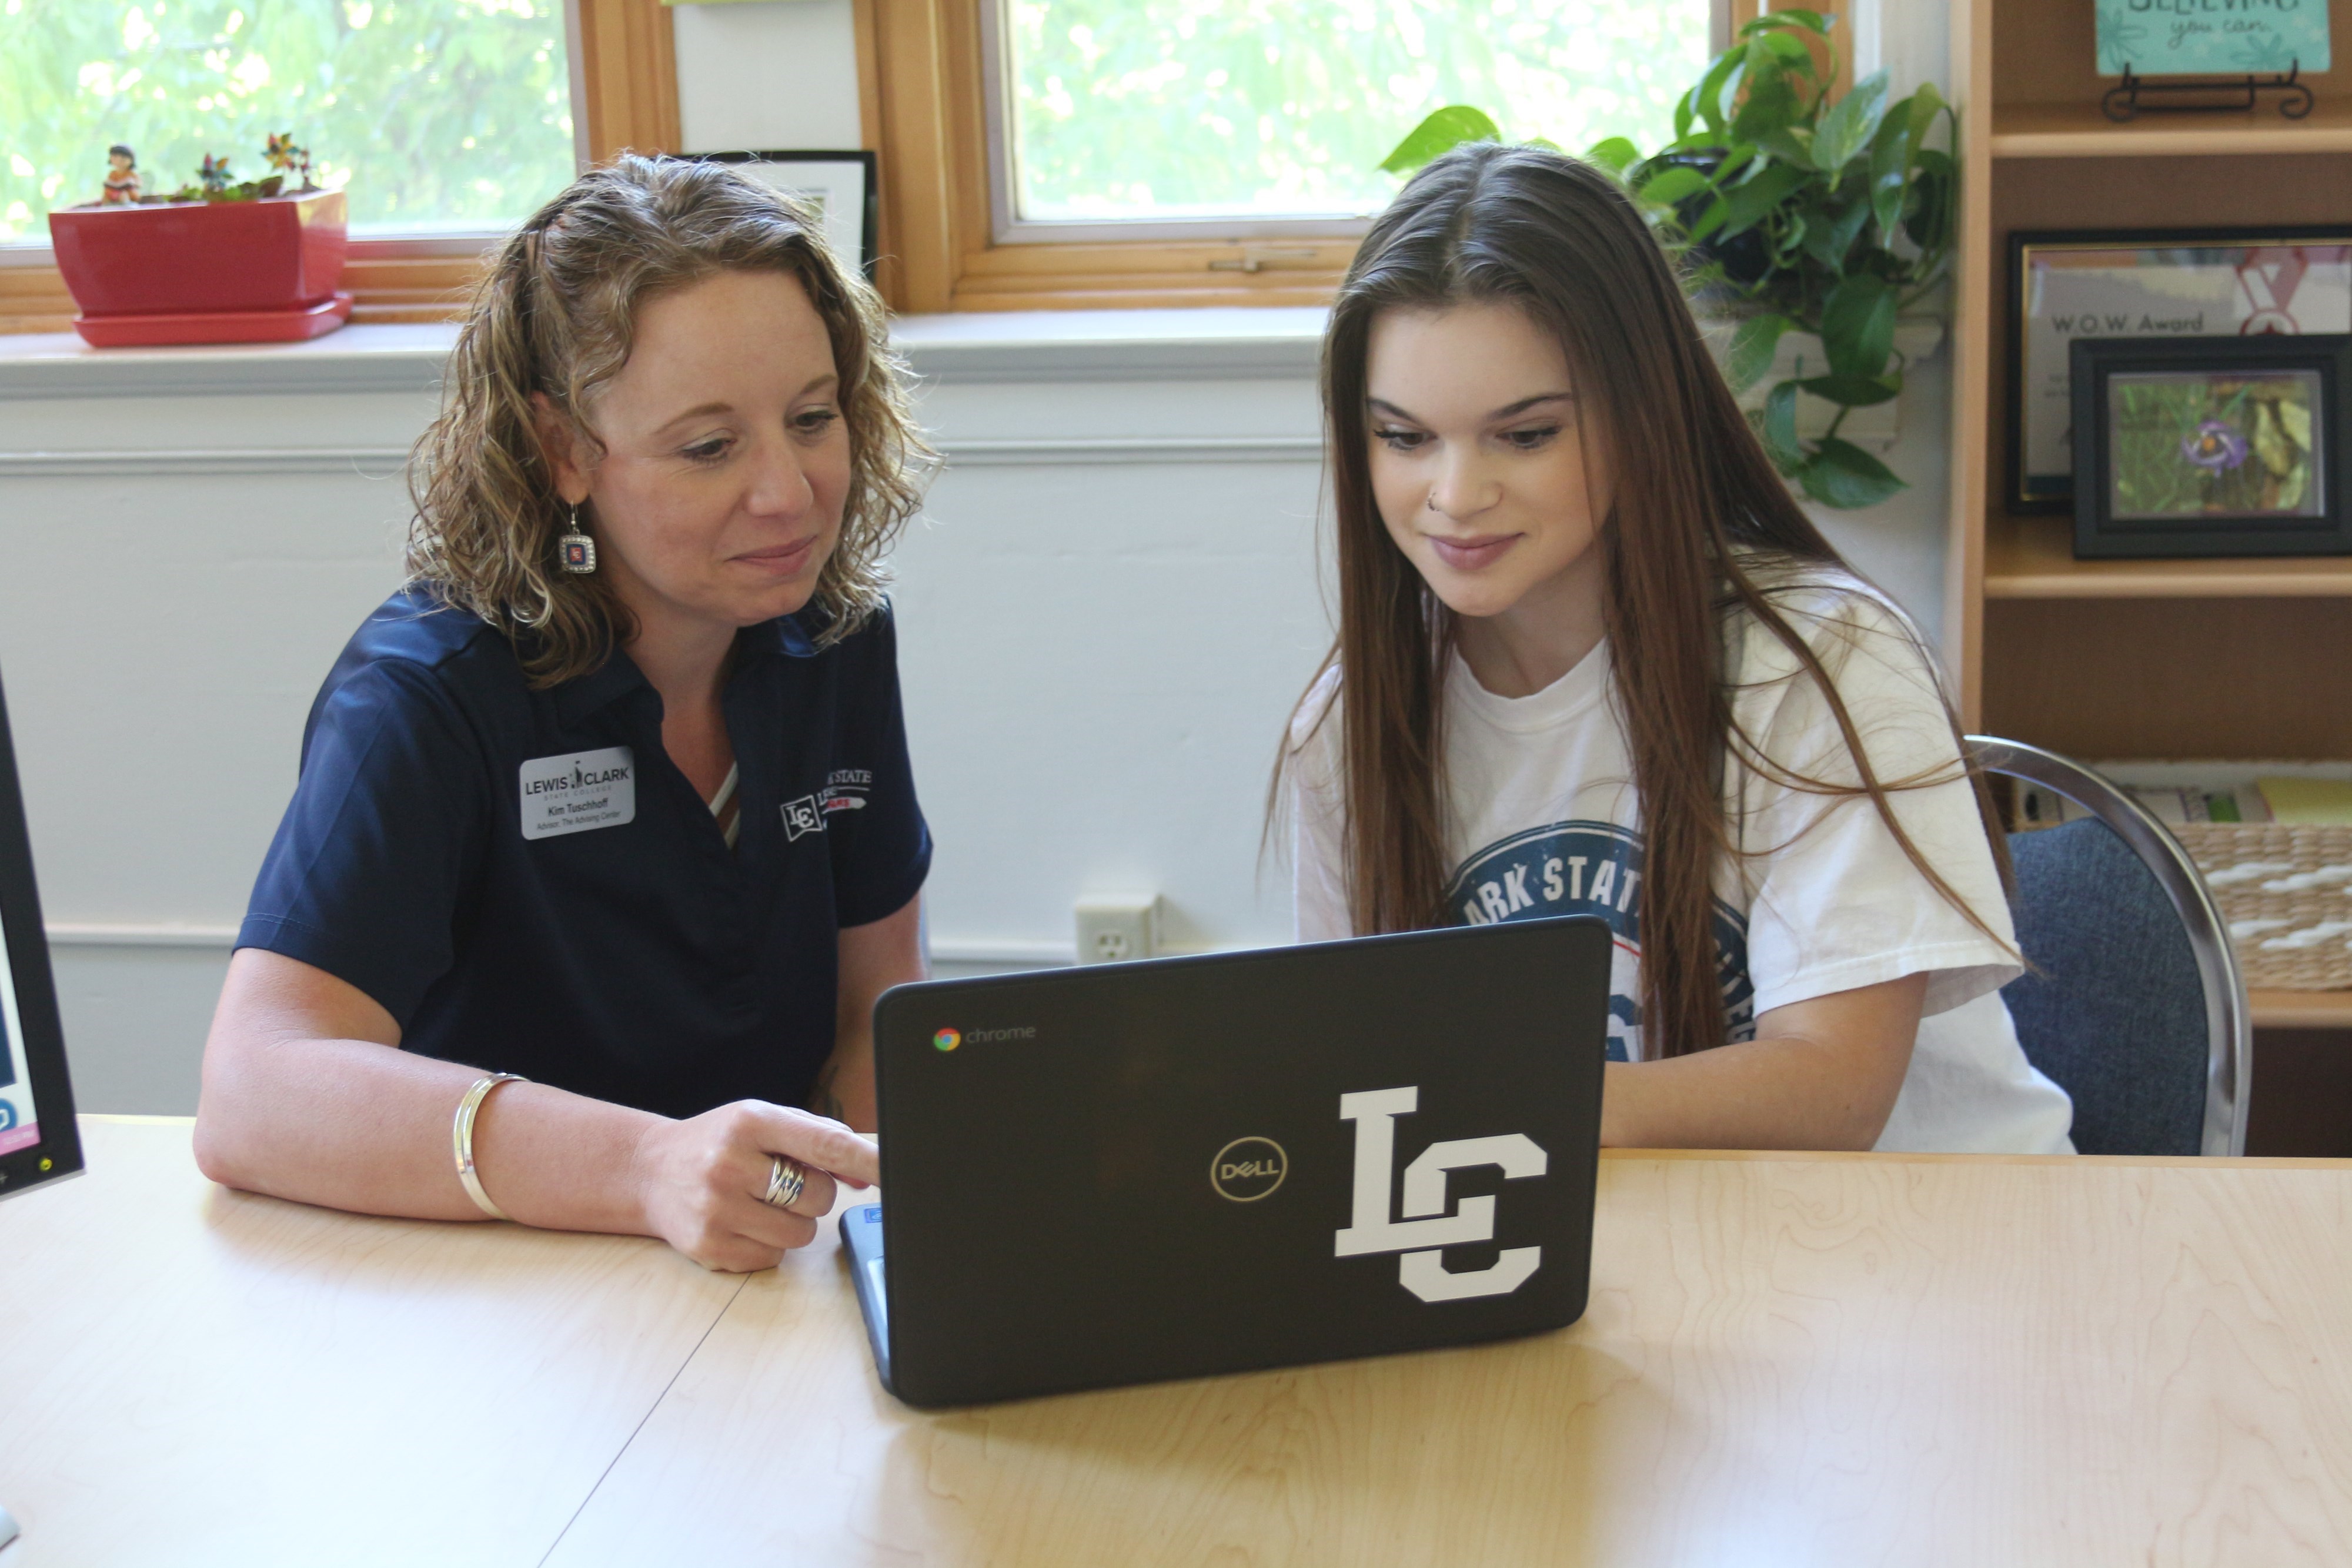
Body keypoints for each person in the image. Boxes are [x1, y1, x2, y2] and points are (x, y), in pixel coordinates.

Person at [194, 157, 937, 1269]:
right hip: (493, 1296)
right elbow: (253, 1091)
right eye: (709, 447)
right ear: (561, 453)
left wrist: (909, 1234)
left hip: (759, 1271)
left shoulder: (829, 636)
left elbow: (877, 1017)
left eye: (813, 417)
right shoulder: (431, 693)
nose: (788, 494)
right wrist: (649, 1168)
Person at [1282, 143, 2072, 1154]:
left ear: (1643, 415)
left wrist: (1496, 1107)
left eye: (1525, 436)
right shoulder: (1351, 725)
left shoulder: (1821, 661)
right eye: (1404, 438)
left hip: (1933, 1245)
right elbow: (1358, 1066)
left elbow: (1833, 1094)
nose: (1455, 495)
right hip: (1637, 1244)